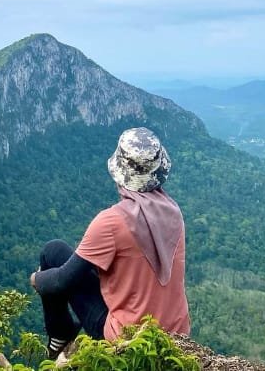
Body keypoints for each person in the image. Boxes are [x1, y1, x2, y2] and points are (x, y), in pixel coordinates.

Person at [30, 127, 190, 359]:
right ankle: (62, 335)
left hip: (128, 338)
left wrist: (36, 279)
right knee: (62, 254)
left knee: (52, 252)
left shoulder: (111, 222)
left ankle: (60, 336)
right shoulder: (174, 212)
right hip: (176, 332)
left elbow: (61, 280)